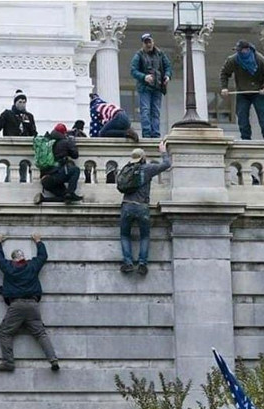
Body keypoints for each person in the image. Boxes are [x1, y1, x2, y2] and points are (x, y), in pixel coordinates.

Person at [0, 233, 58, 372]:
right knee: (40, 333)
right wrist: (38, 241)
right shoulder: (32, 265)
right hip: (33, 305)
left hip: (16, 305)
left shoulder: (9, 267)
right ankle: (53, 359)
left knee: (5, 332)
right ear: (24, 257)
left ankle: (8, 362)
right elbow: (43, 256)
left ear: (14, 259)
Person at [119, 140, 171, 275]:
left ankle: (128, 263)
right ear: (143, 158)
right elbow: (166, 164)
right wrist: (163, 151)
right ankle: (142, 264)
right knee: (144, 236)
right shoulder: (147, 169)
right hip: (142, 206)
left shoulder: (126, 169)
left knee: (125, 235)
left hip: (126, 205)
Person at [220, 40, 264, 140]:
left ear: (247, 50)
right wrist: (224, 87)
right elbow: (224, 73)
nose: (239, 53)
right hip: (242, 92)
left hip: (258, 92)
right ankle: (245, 138)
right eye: (238, 51)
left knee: (263, 114)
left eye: (241, 50)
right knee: (242, 115)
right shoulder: (233, 60)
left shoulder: (259, 59)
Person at [130, 33, 172, 138]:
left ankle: (156, 134)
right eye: (146, 42)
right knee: (145, 110)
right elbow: (133, 71)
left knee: (156, 112)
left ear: (153, 42)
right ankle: (147, 134)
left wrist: (167, 76)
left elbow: (168, 67)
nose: (148, 44)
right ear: (143, 44)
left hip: (157, 87)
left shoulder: (160, 54)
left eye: (150, 42)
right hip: (145, 88)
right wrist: (144, 77)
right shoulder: (139, 55)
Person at [34, 123, 82, 205]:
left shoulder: (47, 142)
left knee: (65, 197)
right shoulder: (65, 142)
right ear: (64, 133)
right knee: (75, 170)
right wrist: (71, 142)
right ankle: (70, 192)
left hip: (45, 179)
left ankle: (43, 199)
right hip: (56, 175)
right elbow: (75, 155)